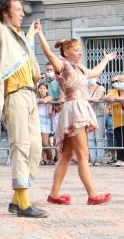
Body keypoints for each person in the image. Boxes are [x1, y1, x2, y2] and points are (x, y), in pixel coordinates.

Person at [0, 0, 47, 218]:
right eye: (18, 10)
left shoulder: (19, 37)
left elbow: (25, 49)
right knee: (20, 146)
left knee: (36, 148)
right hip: (15, 95)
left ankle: (16, 198)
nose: (22, 13)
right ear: (6, 14)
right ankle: (23, 202)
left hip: (31, 95)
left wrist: (33, 31)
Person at [36, 21, 116, 205]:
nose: (80, 52)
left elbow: (95, 72)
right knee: (83, 155)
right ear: (66, 52)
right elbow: (48, 53)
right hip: (74, 110)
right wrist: (40, 33)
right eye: (76, 49)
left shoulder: (79, 68)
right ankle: (92, 195)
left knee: (66, 156)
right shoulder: (63, 65)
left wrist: (106, 59)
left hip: (79, 108)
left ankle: (54, 194)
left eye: (80, 49)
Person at [104, 75, 124, 166]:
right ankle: (120, 159)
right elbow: (105, 98)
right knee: (119, 140)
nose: (122, 83)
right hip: (117, 121)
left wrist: (115, 98)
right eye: (120, 81)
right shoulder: (113, 91)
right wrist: (108, 98)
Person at [87, 76, 105, 166]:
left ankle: (99, 159)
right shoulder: (85, 88)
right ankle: (92, 159)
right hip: (88, 116)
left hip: (98, 115)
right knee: (90, 139)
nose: (90, 79)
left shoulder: (100, 88)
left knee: (98, 138)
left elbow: (98, 98)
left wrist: (85, 98)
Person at [37, 82, 54, 165]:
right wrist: (40, 101)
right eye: (40, 88)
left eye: (44, 88)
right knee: (40, 142)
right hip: (37, 121)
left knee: (45, 142)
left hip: (46, 121)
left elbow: (46, 100)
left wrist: (40, 101)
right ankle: (44, 159)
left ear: (47, 89)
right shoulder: (35, 98)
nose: (42, 90)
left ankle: (51, 157)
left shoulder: (49, 97)